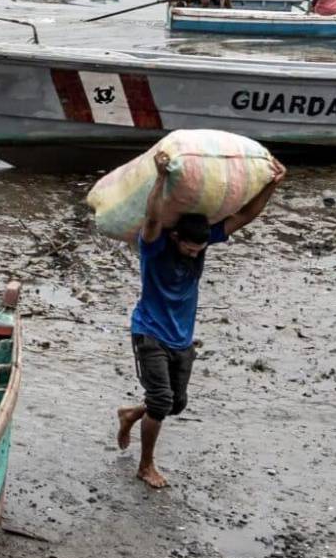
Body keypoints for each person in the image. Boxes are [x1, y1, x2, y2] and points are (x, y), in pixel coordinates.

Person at [114, 154, 280, 489]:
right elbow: (151, 218)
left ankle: (132, 414)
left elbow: (245, 216)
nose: (194, 255)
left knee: (176, 404)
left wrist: (271, 184)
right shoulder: (155, 247)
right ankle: (146, 466)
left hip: (182, 337)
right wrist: (161, 178)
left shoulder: (203, 244)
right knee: (160, 401)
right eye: (190, 250)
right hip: (149, 331)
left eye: (198, 251)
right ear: (176, 238)